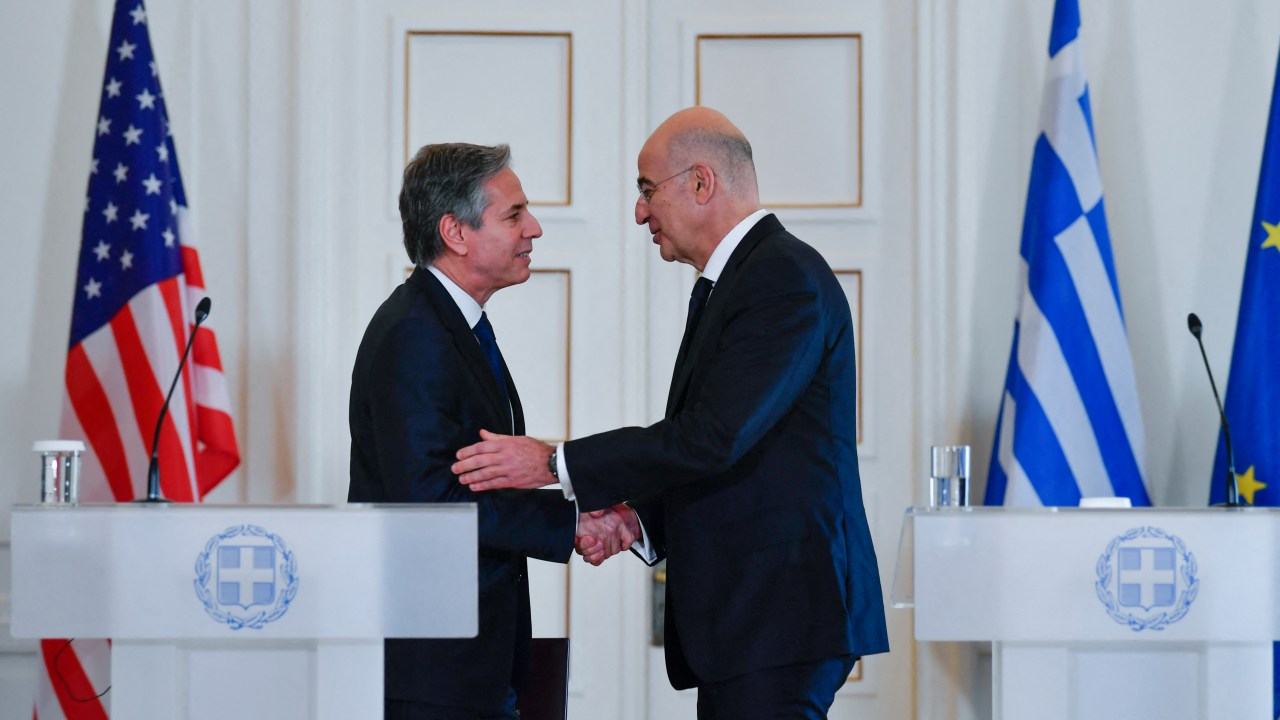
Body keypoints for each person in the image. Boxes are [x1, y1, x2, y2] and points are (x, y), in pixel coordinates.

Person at [451, 108, 890, 719]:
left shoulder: (780, 278)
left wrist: (555, 461)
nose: (639, 211)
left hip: (781, 611)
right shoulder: (741, 278)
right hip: (757, 617)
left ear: (702, 183)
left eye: (646, 190)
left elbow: (714, 437)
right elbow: (740, 447)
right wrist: (636, 518)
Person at [348, 142, 636, 720]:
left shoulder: (452, 323)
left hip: (469, 659)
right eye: (514, 215)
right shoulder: (416, 334)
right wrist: (572, 523)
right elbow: (430, 501)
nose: (534, 228)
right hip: (433, 669)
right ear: (455, 232)